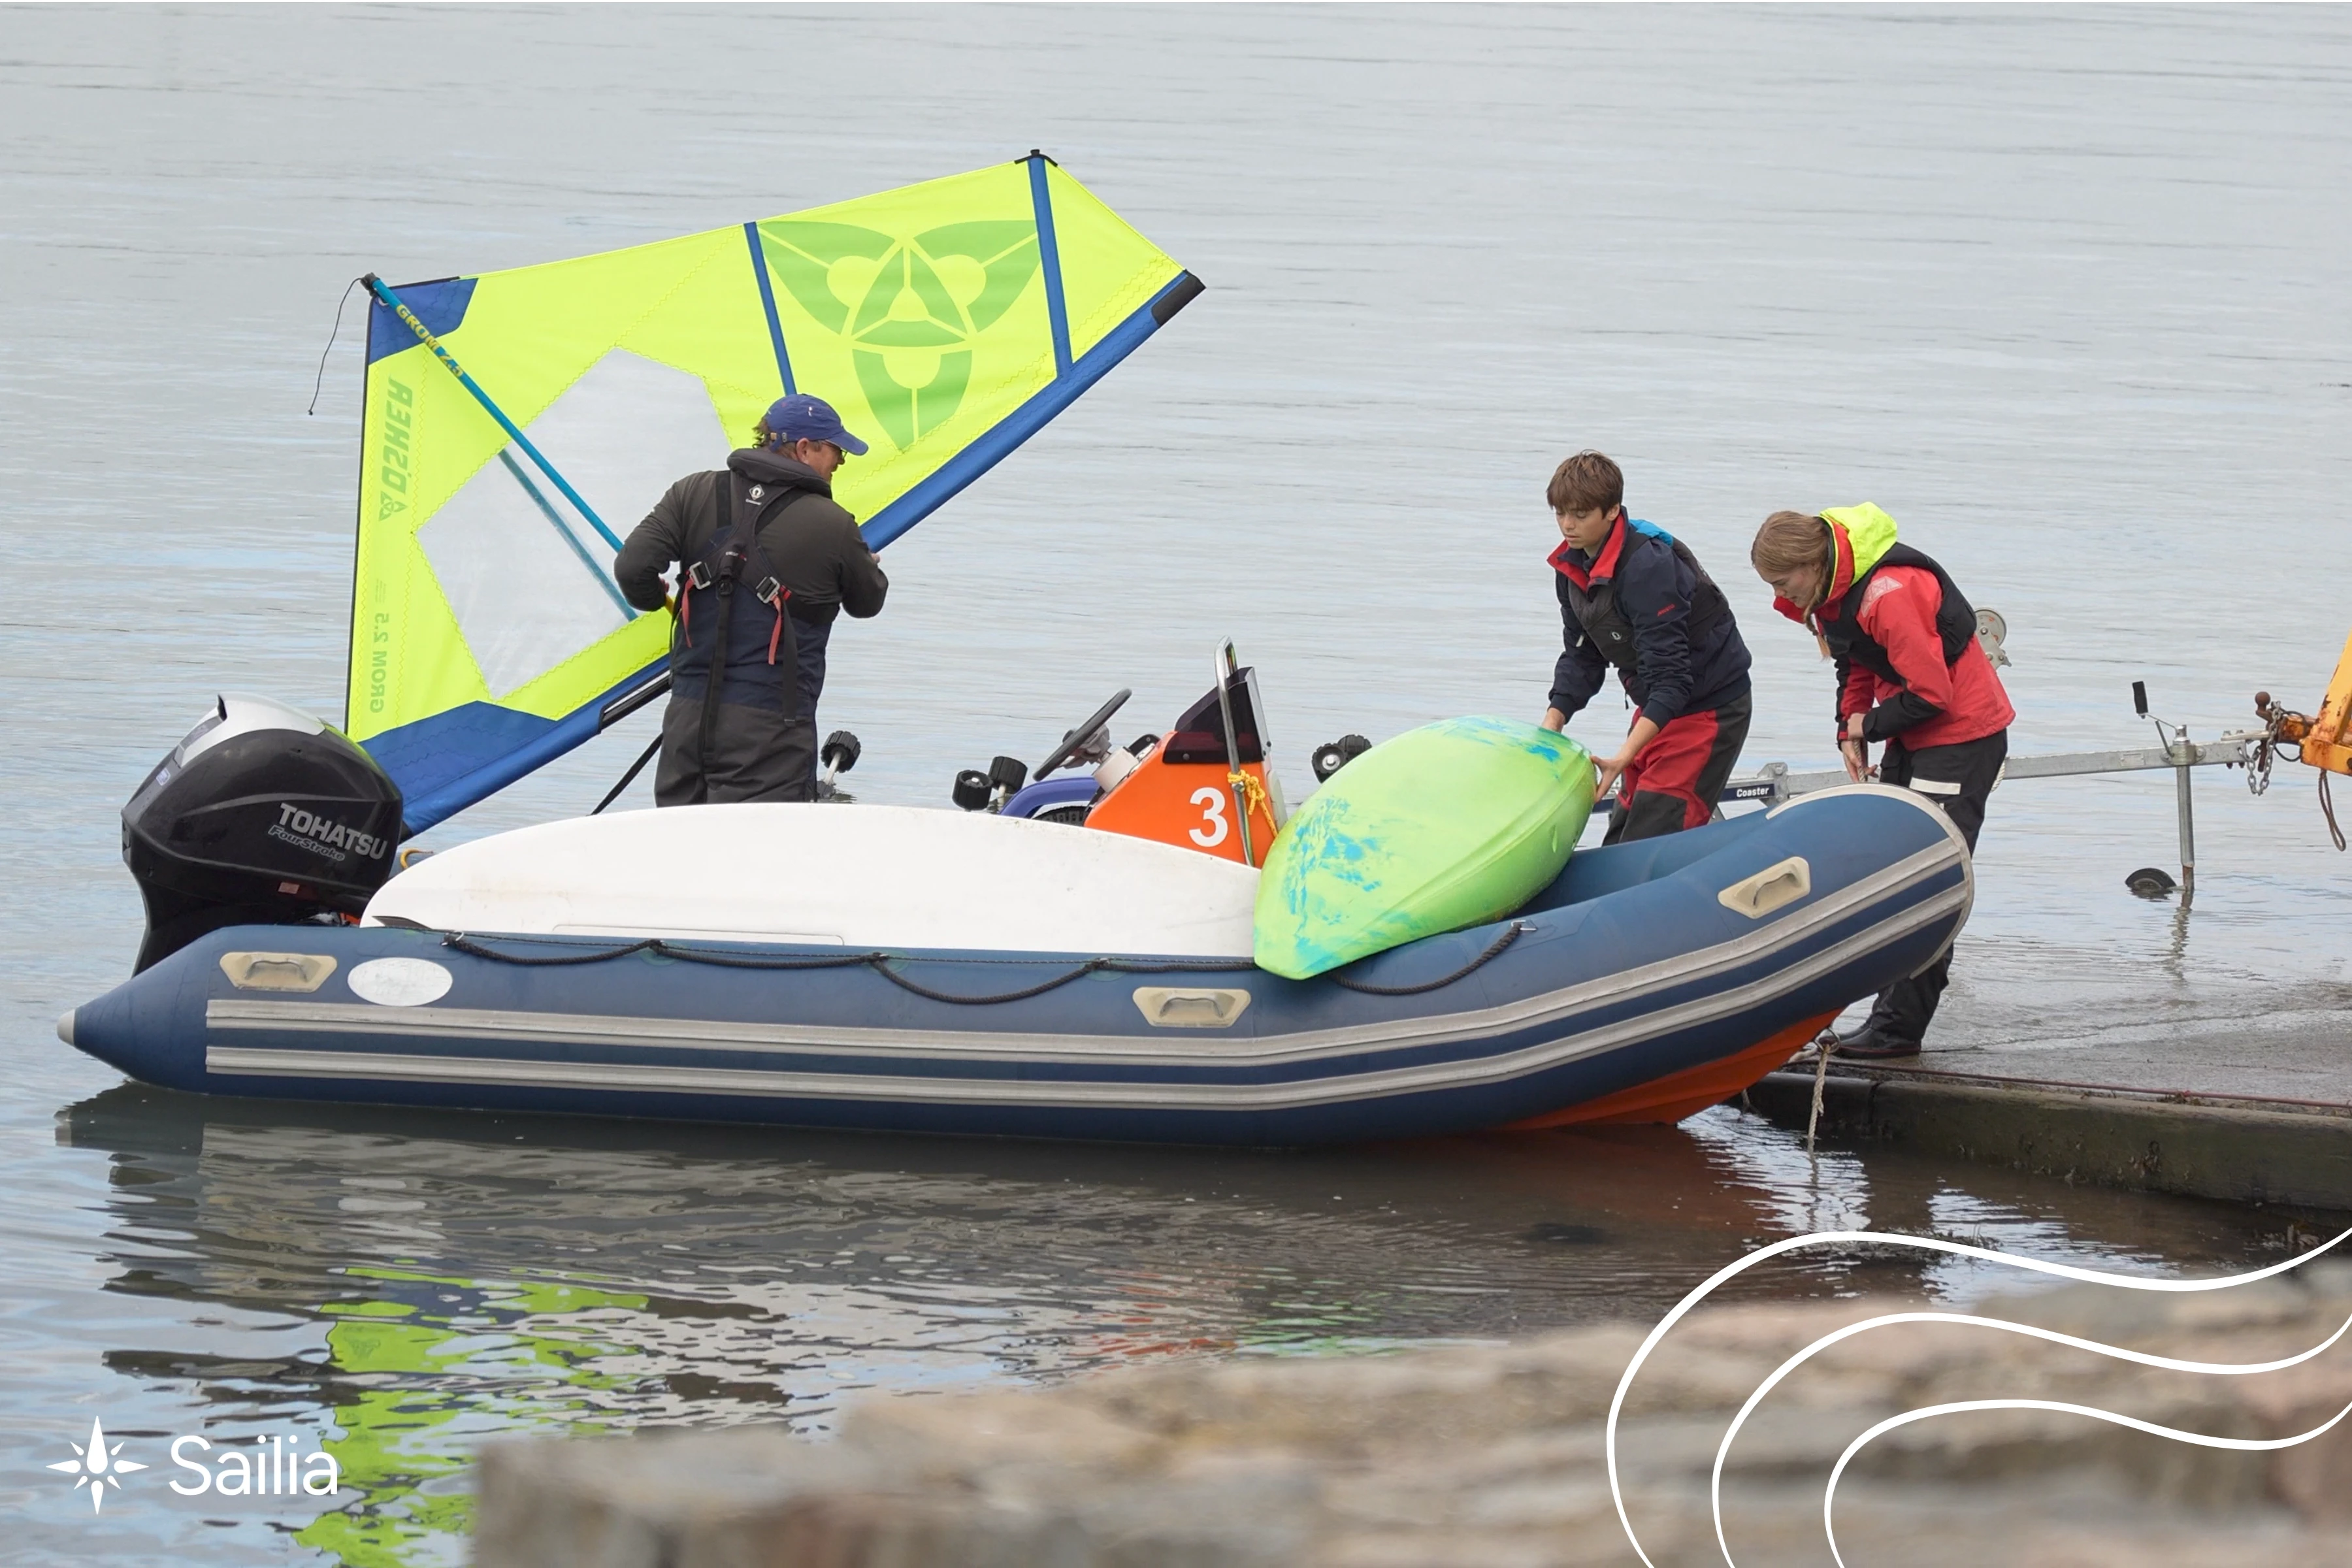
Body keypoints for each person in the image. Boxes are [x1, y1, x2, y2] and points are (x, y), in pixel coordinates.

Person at [1749, 503, 2014, 1059]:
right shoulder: (1834, 596)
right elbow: (1857, 663)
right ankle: (1884, 1019)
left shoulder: (1889, 594)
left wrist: (1869, 723)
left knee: (1928, 881)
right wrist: (1850, 729)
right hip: (1913, 734)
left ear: (1812, 563)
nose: (1781, 594)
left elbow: (1933, 693)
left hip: (1961, 738)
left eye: (1782, 581)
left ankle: (1897, 1031)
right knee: (1889, 870)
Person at [615, 393, 889, 805]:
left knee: (676, 853)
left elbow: (632, 568)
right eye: (836, 452)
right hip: (770, 734)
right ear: (803, 448)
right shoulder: (834, 525)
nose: (839, 465)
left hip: (687, 721)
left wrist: (656, 598)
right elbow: (868, 603)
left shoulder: (690, 493)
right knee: (756, 860)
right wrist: (862, 562)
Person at [1541, 451, 1754, 843]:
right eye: (1560, 513)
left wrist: (1623, 756)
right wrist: (1551, 725)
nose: (1567, 526)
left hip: (1710, 709)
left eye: (1581, 514)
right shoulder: (1571, 568)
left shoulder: (1648, 568)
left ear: (1611, 511)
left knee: (1652, 840)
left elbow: (1673, 680)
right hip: (1657, 707)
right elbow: (1582, 655)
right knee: (1620, 835)